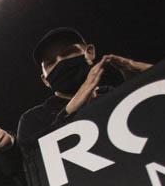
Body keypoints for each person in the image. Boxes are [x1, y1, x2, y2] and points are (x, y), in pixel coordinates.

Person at [17, 27, 154, 154]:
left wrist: (149, 78)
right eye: (51, 62)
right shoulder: (34, 119)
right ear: (45, 80)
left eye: (68, 53)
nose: (60, 62)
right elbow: (32, 159)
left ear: (90, 52)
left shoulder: (116, 95)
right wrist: (69, 112)